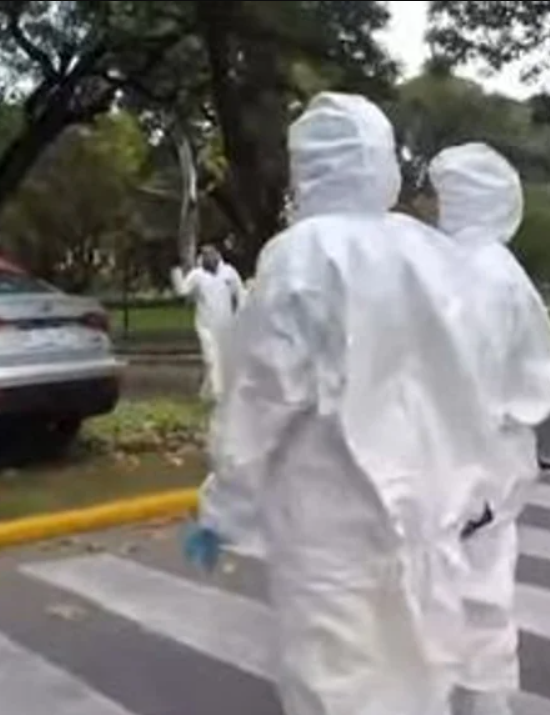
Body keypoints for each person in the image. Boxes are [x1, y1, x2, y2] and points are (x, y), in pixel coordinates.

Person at [183, 93, 510, 715]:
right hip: (425, 516)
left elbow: (262, 399)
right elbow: (475, 379)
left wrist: (221, 510)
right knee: (418, 670)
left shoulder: (300, 256)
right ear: (382, 162)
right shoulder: (433, 255)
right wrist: (476, 485)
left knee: (333, 681)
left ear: (307, 166)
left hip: (328, 518)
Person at [426, 143, 550, 715]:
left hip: (455, 461)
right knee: (483, 592)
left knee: (448, 594)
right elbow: (535, 384)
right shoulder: (507, 277)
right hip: (493, 463)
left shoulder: (443, 273)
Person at [171, 244, 244, 401]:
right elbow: (183, 291)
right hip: (205, 326)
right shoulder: (197, 275)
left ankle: (205, 393)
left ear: (218, 255)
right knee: (211, 358)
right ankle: (220, 395)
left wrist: (241, 315)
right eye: (205, 255)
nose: (209, 258)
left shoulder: (229, 272)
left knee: (221, 360)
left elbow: (240, 294)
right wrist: (176, 273)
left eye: (211, 254)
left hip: (226, 325)